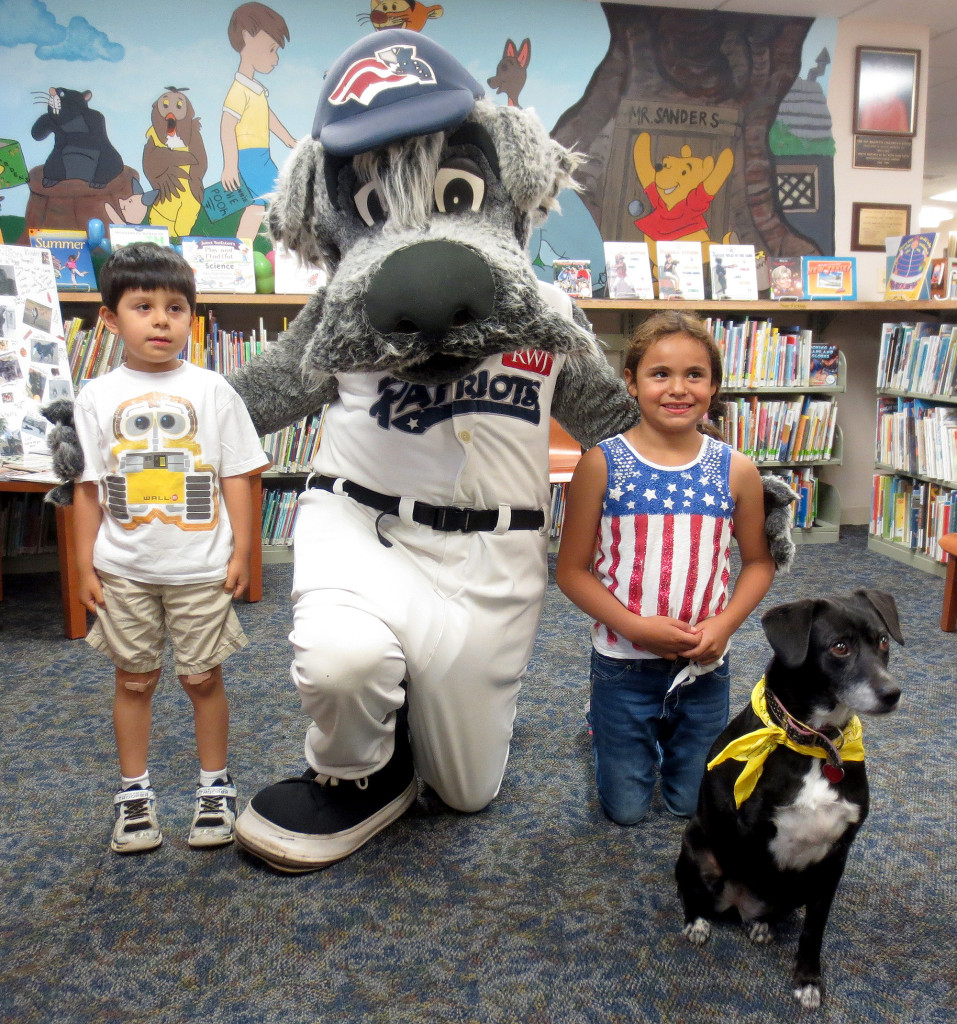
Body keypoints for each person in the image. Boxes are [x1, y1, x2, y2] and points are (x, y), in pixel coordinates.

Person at [72, 242, 270, 855]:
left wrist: (244, 553)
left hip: (200, 568)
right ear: (110, 319)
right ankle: (134, 793)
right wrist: (83, 563)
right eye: (143, 306)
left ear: (192, 317)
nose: (161, 320)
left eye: (176, 308)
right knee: (134, 681)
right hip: (124, 569)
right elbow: (86, 486)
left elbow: (239, 475)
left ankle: (215, 786)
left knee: (202, 678)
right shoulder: (94, 398)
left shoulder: (213, 391)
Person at [556, 310, 776, 825]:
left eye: (694, 375)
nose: (678, 389)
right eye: (660, 374)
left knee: (688, 806)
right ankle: (604, 726)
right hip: (622, 664)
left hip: (705, 665)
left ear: (714, 385)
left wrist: (723, 626)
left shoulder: (737, 469)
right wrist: (635, 628)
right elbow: (571, 571)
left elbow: (759, 563)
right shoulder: (601, 463)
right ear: (630, 383)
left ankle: (662, 743)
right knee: (626, 812)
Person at [220, 3, 297, 243]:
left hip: (260, 155)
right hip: (250, 157)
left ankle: (242, 250)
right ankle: (281, 252)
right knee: (279, 201)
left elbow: (268, 117)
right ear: (247, 37)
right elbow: (226, 127)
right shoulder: (239, 90)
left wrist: (290, 141)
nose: (275, 59)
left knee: (258, 207)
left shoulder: (256, 90)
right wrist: (230, 165)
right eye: (271, 49)